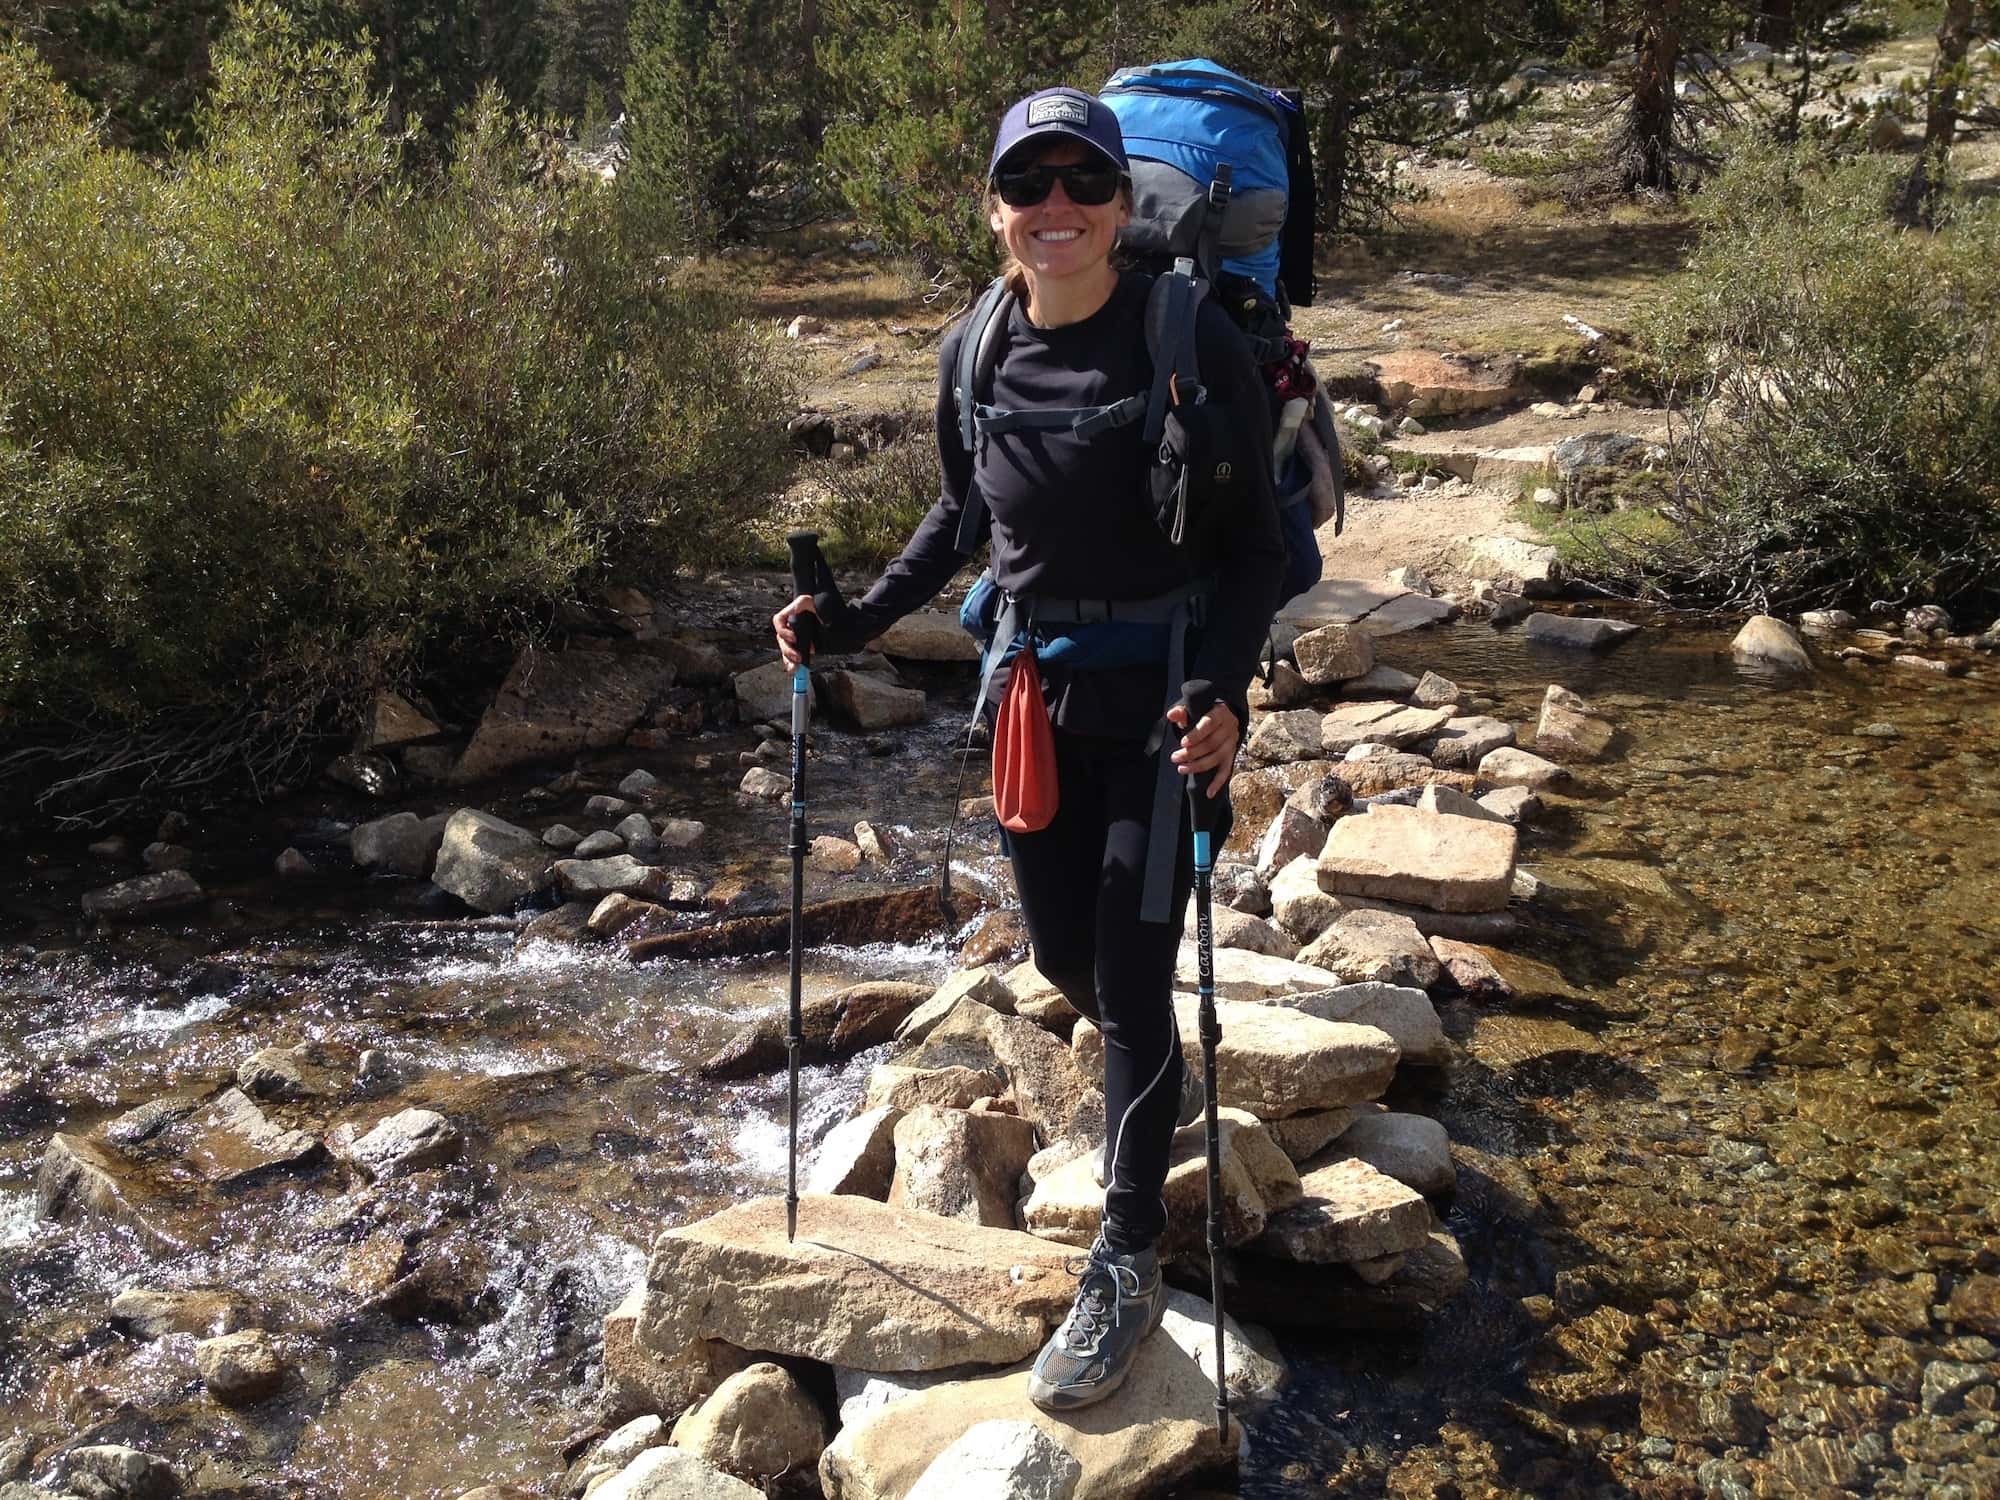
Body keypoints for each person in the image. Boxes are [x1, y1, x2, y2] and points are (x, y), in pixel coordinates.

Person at [773, 85, 1283, 1412]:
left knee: (1123, 967)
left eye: (1081, 184)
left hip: (1167, 707)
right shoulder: (979, 345)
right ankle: (1138, 1096)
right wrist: (855, 619)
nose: (1054, 208)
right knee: (1061, 955)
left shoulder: (1182, 340)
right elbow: (962, 516)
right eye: (1028, 186)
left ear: (1120, 205)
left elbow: (1263, 551)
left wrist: (1228, 695)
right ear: (997, 209)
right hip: (1031, 700)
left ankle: (1126, 1256)